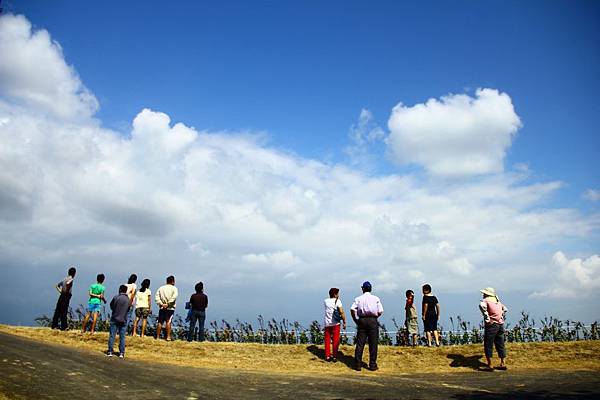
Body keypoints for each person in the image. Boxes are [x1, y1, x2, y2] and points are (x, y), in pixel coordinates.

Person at [350, 281, 383, 371]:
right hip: (372, 320)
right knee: (373, 343)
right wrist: (375, 317)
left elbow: (352, 309)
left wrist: (355, 319)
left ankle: (357, 364)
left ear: (363, 289)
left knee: (360, 343)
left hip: (362, 320)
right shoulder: (376, 298)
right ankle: (372, 364)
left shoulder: (358, 299)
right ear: (371, 288)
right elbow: (380, 311)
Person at [479, 287, 508, 371]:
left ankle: (490, 364)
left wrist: (487, 318)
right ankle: (503, 363)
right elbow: (505, 309)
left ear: (486, 294)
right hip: (500, 324)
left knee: (488, 343)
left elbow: (482, 307)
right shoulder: (497, 301)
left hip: (492, 324)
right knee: (500, 343)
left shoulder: (486, 301)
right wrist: (501, 316)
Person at [323, 287, 347, 362]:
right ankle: (334, 356)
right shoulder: (338, 301)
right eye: (338, 293)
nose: (339, 295)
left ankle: (327, 356)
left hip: (327, 323)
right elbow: (341, 312)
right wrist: (344, 321)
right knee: (335, 340)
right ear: (335, 294)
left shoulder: (325, 301)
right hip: (335, 323)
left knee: (327, 340)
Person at [107, 285, 130, 358]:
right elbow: (128, 309)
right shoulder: (128, 299)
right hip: (123, 319)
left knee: (112, 336)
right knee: (122, 337)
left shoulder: (116, 297)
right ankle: (121, 353)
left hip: (115, 318)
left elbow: (111, 306)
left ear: (120, 289)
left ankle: (110, 351)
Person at [51, 266, 76, 330]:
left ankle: (54, 325)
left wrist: (61, 291)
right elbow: (68, 283)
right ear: (74, 273)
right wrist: (67, 290)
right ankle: (64, 326)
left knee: (58, 310)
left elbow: (57, 285)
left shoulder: (64, 279)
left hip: (62, 295)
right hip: (66, 296)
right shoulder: (71, 279)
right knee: (64, 311)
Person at [155, 275, 178, 341]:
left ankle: (158, 337)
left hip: (162, 307)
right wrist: (168, 304)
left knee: (160, 322)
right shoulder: (174, 288)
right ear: (173, 281)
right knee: (168, 321)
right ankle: (168, 337)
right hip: (170, 308)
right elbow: (174, 297)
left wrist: (161, 303)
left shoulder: (161, 288)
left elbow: (157, 297)